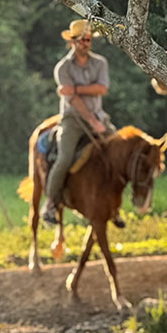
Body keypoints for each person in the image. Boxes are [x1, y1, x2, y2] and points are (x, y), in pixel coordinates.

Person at [41, 19, 118, 227]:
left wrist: (74, 89)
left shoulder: (100, 62)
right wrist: (92, 120)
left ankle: (115, 206)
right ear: (73, 41)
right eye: (82, 40)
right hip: (72, 120)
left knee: (119, 153)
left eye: (88, 39)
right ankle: (49, 204)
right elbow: (73, 101)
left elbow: (102, 89)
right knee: (64, 158)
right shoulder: (62, 67)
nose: (86, 43)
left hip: (99, 116)